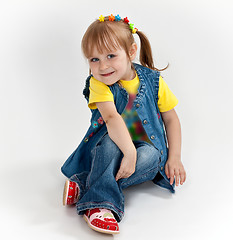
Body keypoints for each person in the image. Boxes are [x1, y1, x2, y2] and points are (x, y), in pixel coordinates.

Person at [61, 14, 186, 234]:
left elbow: (171, 118)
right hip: (111, 146)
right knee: (110, 143)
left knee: (152, 157)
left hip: (145, 148)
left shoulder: (153, 81)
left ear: (131, 51)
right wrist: (128, 152)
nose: (102, 66)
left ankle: (84, 183)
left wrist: (174, 157)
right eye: (94, 59)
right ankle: (100, 205)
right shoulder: (98, 84)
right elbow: (111, 118)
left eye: (110, 55)